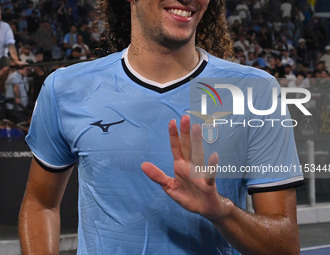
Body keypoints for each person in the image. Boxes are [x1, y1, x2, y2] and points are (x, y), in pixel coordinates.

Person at [19, 0, 303, 254]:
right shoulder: (66, 88)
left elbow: (286, 244)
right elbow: (40, 204)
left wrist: (222, 211)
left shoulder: (255, 91)